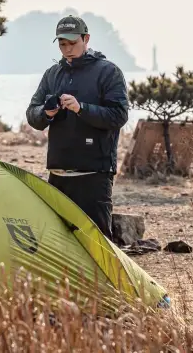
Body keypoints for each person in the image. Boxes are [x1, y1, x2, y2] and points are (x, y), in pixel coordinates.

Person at [25, 15, 129, 239]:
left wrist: (81, 108)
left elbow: (119, 116)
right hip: (58, 172)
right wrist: (47, 113)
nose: (68, 49)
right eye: (63, 44)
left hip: (94, 172)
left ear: (86, 38)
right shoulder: (52, 74)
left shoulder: (108, 72)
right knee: (58, 241)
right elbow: (32, 114)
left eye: (73, 43)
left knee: (98, 244)